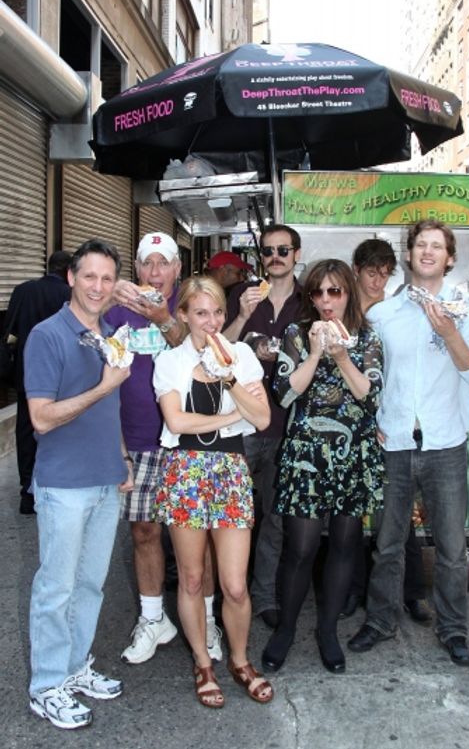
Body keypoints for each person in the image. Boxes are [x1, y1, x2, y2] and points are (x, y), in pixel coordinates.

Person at [348, 220, 469, 666]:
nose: (427, 252)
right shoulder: (383, 314)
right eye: (420, 245)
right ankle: (381, 621)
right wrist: (372, 421)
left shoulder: (467, 308)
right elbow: (370, 376)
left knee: (450, 547)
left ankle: (453, 630)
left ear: (450, 257)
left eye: (437, 246)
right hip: (395, 442)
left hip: (446, 442)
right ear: (409, 256)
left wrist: (448, 332)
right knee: (388, 541)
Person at [25, 239, 132, 730]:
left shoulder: (110, 333)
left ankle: (73, 667)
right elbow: (42, 419)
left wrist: (123, 457)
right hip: (63, 485)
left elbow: (111, 412)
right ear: (71, 278)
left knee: (90, 584)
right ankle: (46, 686)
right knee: (56, 587)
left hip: (105, 479)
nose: (98, 287)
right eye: (89, 277)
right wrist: (104, 386)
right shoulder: (47, 336)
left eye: (107, 278)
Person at [153, 276, 273, 707]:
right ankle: (203, 662)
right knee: (191, 577)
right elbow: (177, 423)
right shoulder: (169, 361)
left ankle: (240, 661)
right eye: (201, 313)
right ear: (183, 315)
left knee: (236, 585)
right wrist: (230, 418)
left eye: (218, 312)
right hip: (185, 471)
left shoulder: (240, 356)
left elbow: (261, 419)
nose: (211, 321)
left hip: (231, 472)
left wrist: (230, 382)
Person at [261, 259, 385, 675]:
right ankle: (286, 630)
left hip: (353, 454)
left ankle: (328, 631)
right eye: (318, 292)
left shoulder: (367, 337)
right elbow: (283, 395)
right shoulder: (296, 333)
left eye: (335, 291)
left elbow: (370, 396)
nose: (327, 300)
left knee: (346, 545)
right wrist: (315, 353)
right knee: (300, 548)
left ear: (348, 292)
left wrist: (343, 356)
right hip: (306, 455)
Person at [106, 232, 185, 664]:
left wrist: (162, 317)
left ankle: (205, 620)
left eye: (164, 263)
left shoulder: (190, 300)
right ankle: (154, 619)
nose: (155, 272)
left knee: (194, 538)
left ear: (177, 268)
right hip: (134, 437)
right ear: (137, 269)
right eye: (147, 263)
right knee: (144, 531)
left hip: (185, 438)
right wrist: (106, 293)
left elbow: (195, 349)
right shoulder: (118, 307)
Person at [223, 224, 302, 629]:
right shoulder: (242, 295)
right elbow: (221, 347)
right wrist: (241, 315)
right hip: (241, 424)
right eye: (269, 251)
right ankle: (226, 596)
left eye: (283, 250)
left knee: (274, 518)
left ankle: (265, 596)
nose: (276, 257)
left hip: (288, 427)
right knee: (231, 515)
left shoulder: (308, 300)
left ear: (296, 254)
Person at [349, 238, 430, 624]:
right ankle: (353, 590)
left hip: (390, 425)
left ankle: (413, 592)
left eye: (384, 273)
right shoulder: (347, 312)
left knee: (396, 519)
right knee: (350, 512)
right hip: (350, 425)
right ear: (357, 271)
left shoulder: (396, 312)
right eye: (371, 272)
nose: (377, 280)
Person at [3, 250, 71, 514]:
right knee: (58, 431)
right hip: (63, 377)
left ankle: (26, 494)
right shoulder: (68, 294)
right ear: (69, 272)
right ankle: (54, 488)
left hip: (26, 375)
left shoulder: (23, 290)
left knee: (25, 432)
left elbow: (11, 331)